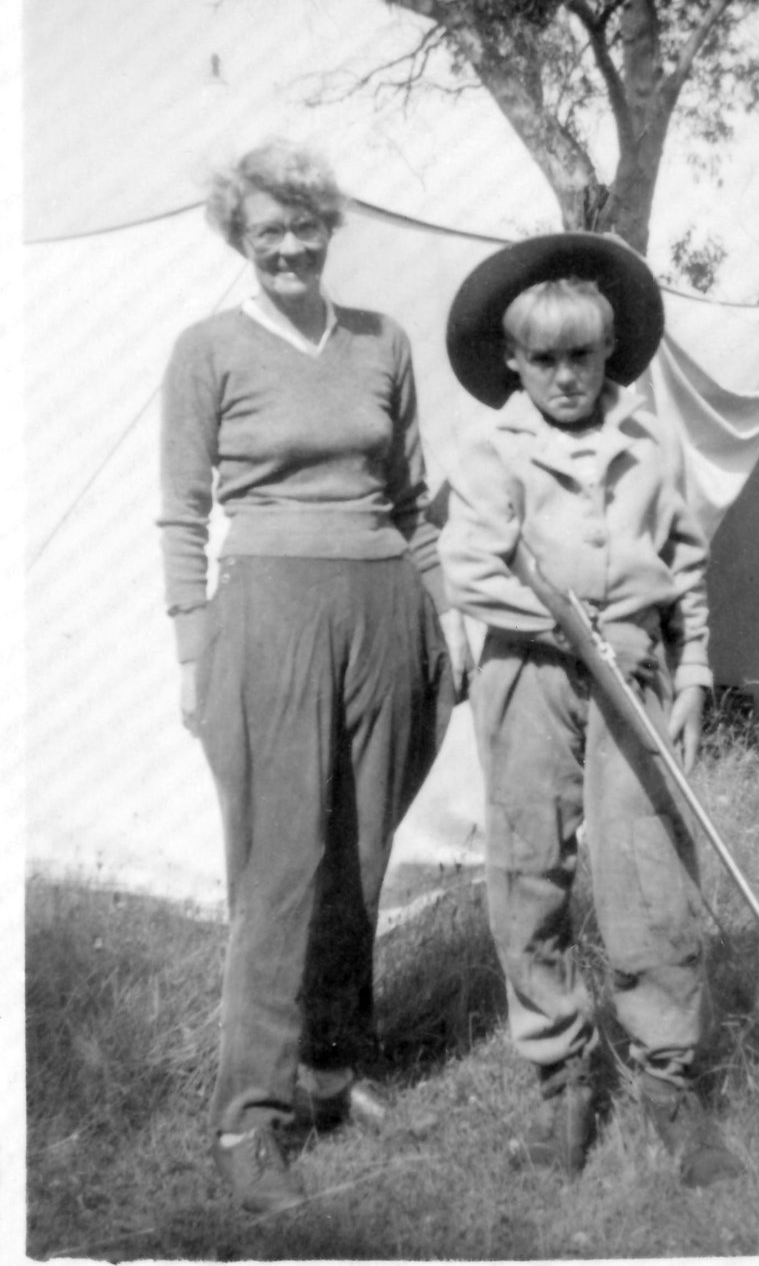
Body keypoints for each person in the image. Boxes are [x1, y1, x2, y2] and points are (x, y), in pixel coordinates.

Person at [158, 139, 467, 1212]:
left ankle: (331, 1071)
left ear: (328, 230)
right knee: (279, 863)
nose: (286, 245)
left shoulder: (382, 342)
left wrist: (447, 613)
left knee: (364, 852)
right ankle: (251, 1112)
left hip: (386, 604)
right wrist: (194, 647)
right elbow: (181, 511)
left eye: (302, 226)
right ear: (239, 240)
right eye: (263, 231)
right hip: (269, 613)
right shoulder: (208, 349)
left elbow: (413, 492)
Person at [439, 234, 743, 1188]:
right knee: (529, 873)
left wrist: (692, 673)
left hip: (637, 681)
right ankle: (562, 1080)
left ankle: (667, 1082)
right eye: (544, 359)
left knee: (650, 876)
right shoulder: (492, 445)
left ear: (609, 354)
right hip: (529, 679)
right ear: (515, 363)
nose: (565, 377)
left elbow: (687, 568)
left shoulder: (651, 439)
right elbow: (472, 571)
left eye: (582, 356)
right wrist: (564, 628)